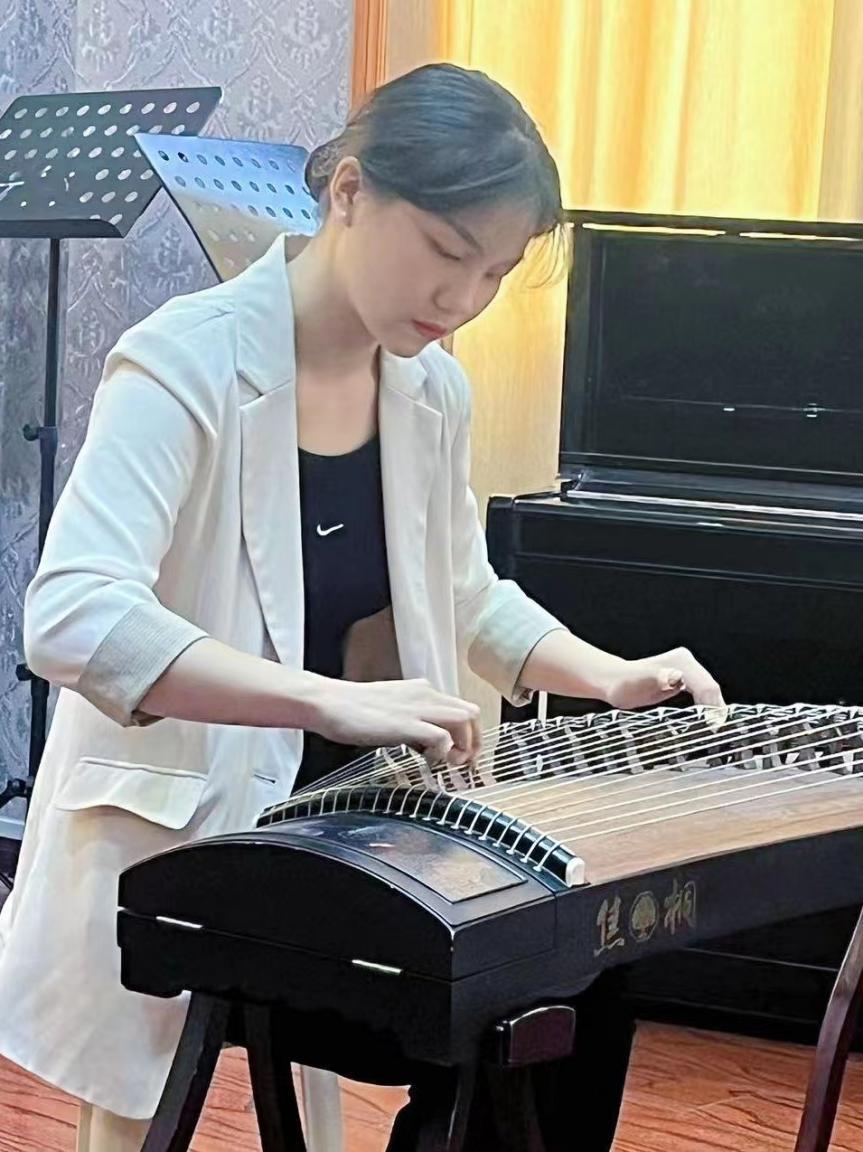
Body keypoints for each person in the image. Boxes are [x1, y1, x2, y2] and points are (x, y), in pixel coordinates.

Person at [0, 63, 724, 1152]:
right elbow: (72, 614)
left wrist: (606, 673)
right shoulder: (184, 361)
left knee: (578, 975)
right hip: (193, 845)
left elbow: (463, 591)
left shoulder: (431, 389)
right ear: (347, 191)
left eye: (494, 273)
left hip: (355, 835)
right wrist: (322, 700)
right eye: (444, 252)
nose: (462, 300)